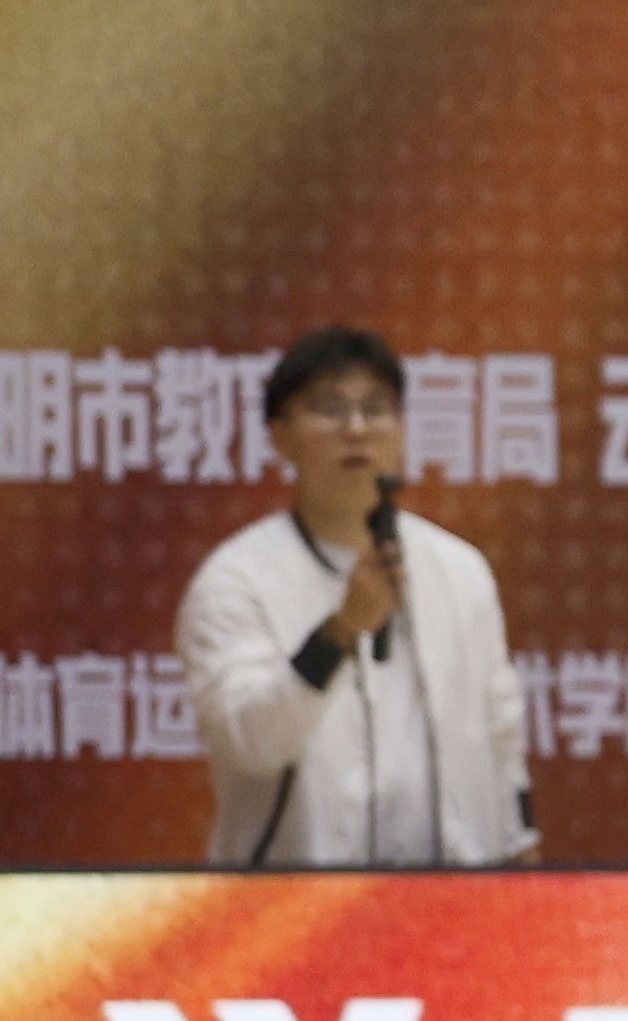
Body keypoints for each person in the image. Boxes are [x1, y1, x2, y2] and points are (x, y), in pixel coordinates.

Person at [179, 325, 530, 868]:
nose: (357, 429)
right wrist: (341, 630)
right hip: (293, 897)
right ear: (280, 436)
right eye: (330, 409)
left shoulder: (459, 570)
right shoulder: (236, 580)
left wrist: (519, 843)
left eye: (377, 408)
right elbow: (249, 743)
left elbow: (500, 728)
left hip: (452, 892)